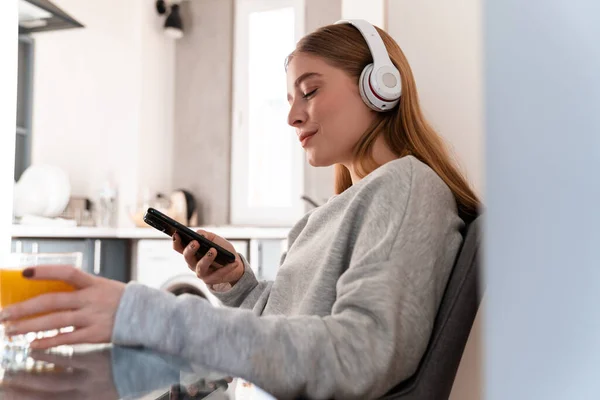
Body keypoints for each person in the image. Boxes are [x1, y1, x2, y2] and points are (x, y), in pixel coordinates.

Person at [0, 20, 479, 399]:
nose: (293, 115)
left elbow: (357, 357)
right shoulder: (331, 214)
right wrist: (238, 284)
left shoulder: (407, 187)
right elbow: (288, 331)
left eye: (310, 91)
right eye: (290, 99)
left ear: (380, 86)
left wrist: (146, 313)